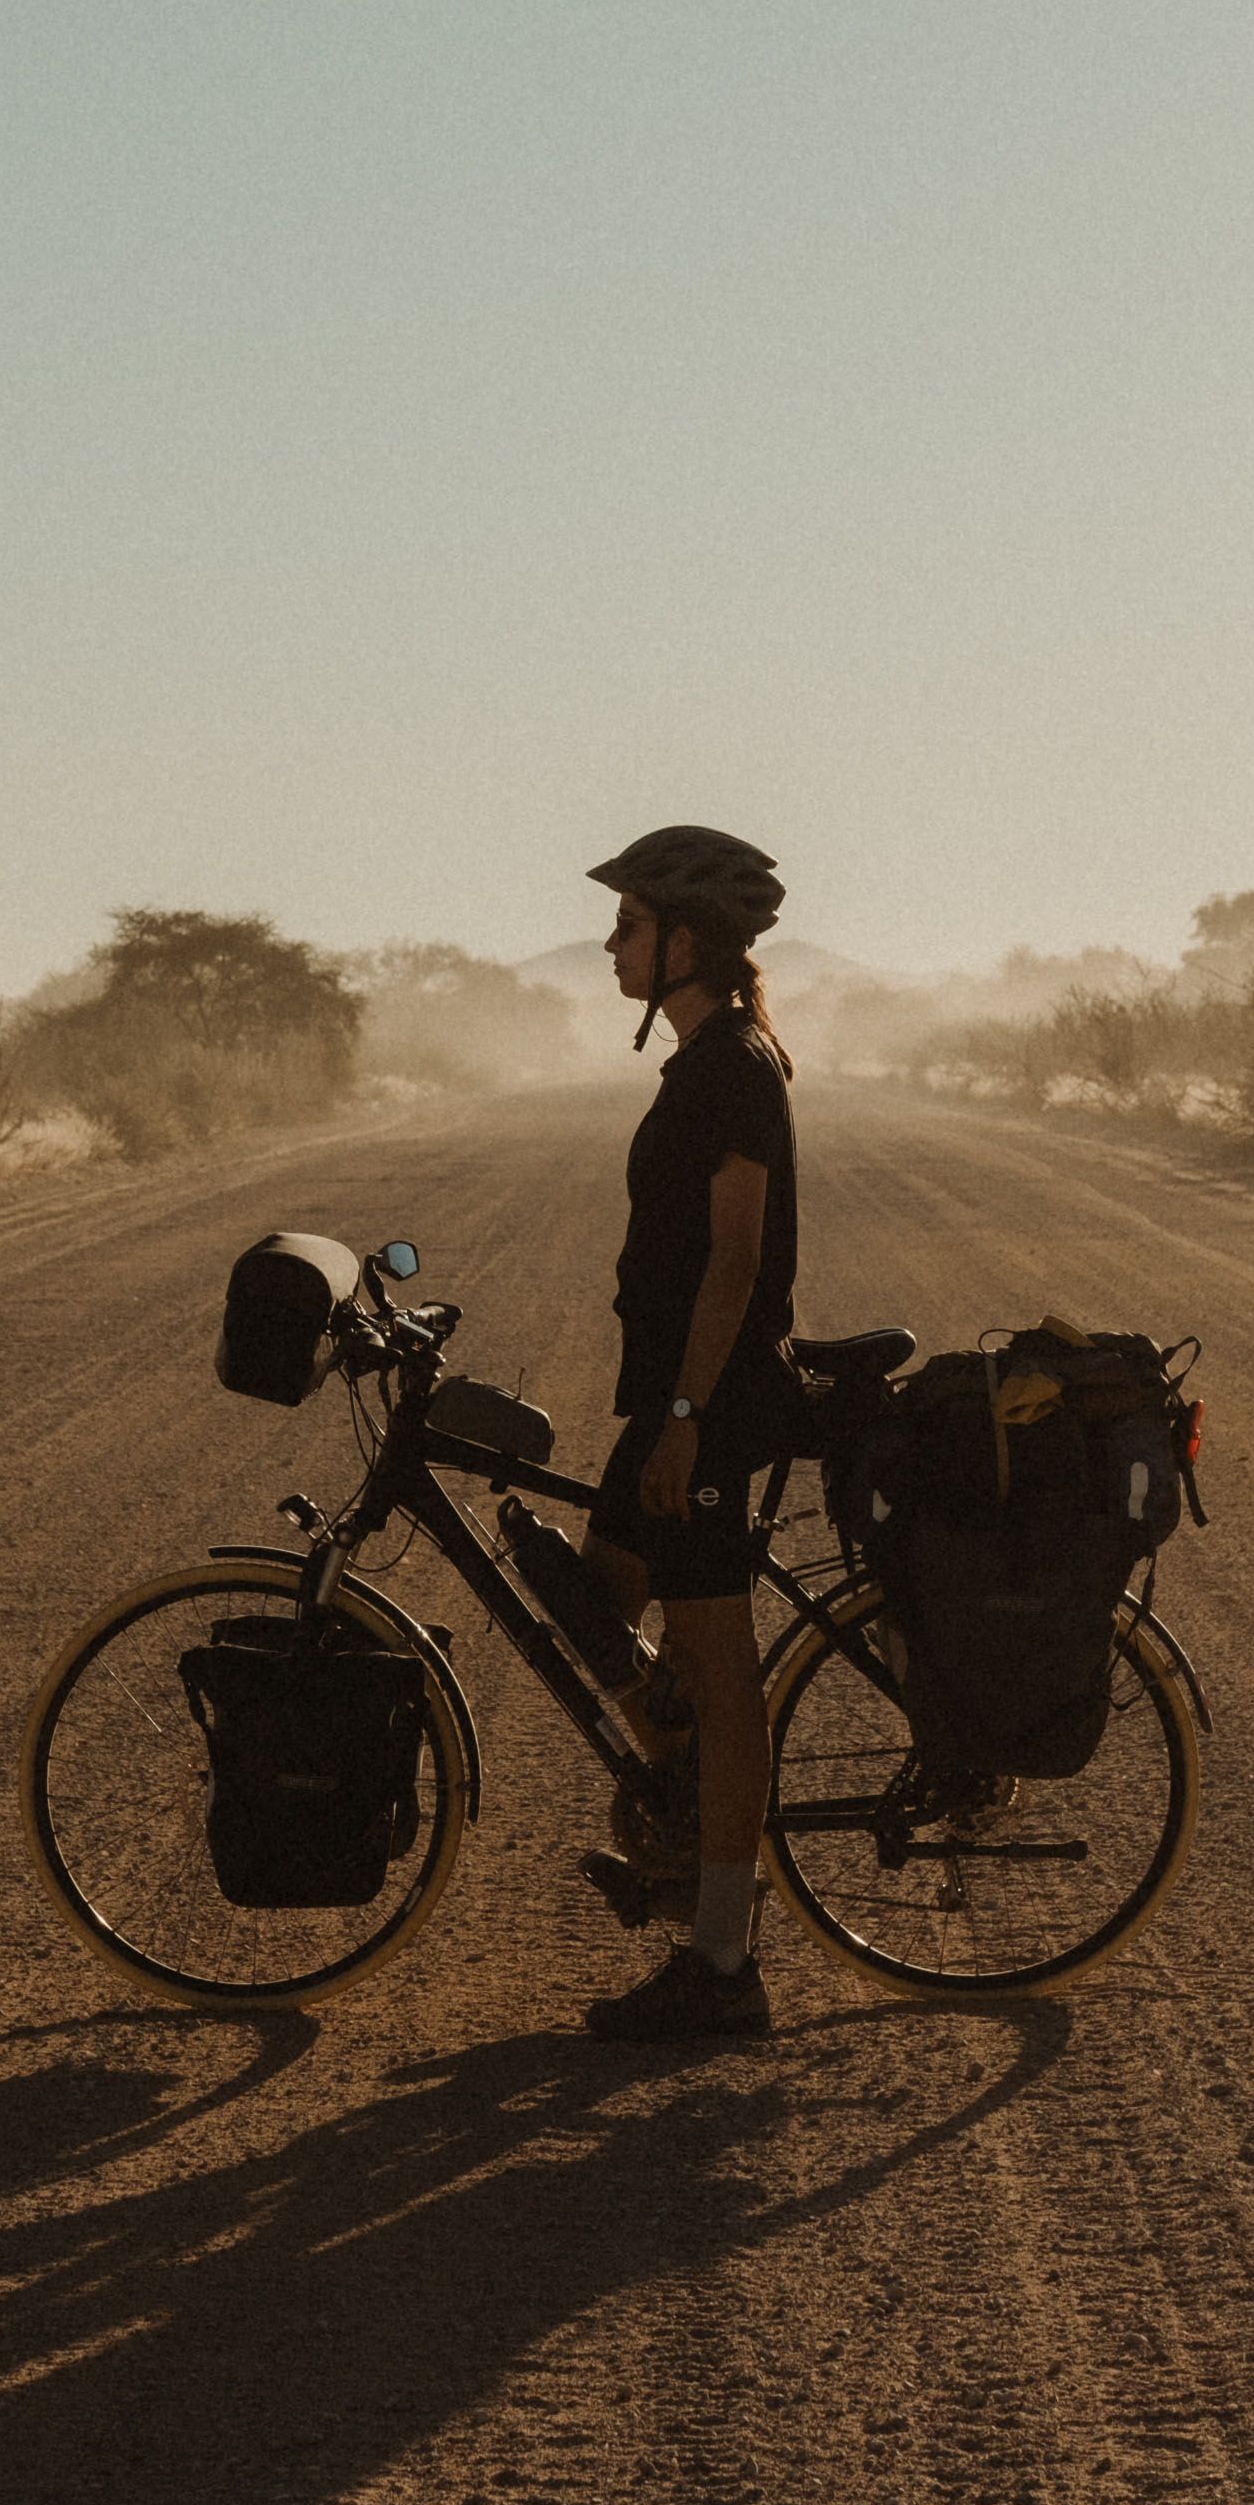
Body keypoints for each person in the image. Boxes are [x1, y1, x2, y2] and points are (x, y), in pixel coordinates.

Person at [573, 822, 802, 2043]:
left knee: (719, 1674)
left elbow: (736, 1261)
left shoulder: (732, 1069)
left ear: (687, 941)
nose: (610, 943)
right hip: (671, 1399)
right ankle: (680, 1807)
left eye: (630, 924)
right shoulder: (701, 1060)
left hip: (704, 1409)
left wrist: (681, 1422)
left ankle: (721, 1962)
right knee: (588, 1594)